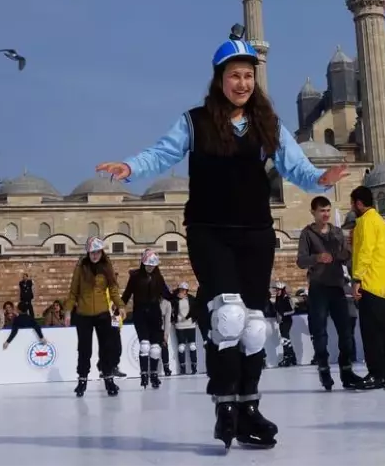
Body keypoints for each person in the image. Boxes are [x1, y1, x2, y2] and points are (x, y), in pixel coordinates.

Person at [95, 26, 347, 449]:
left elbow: (295, 167)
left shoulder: (269, 125)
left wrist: (320, 177)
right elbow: (161, 153)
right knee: (227, 316)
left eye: (248, 75)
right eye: (234, 75)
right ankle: (224, 406)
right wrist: (130, 167)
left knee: (252, 326)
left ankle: (248, 405)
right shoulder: (195, 122)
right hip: (210, 231)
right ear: (219, 79)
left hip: (255, 233)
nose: (242, 83)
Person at [296, 195, 361, 391]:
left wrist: (355, 278)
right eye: (321, 211)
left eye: (327, 210)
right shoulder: (307, 234)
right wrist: (317, 257)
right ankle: (324, 369)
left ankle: (346, 370)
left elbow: (347, 256)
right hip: (318, 287)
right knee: (320, 331)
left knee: (345, 331)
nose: (325, 214)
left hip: (337, 286)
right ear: (313, 212)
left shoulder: (338, 233)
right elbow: (301, 260)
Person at [348, 186, 385, 389]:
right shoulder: (379, 221)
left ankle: (376, 374)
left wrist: (357, 279)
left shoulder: (366, 222)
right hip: (383, 284)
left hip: (370, 283)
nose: (352, 207)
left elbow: (365, 253)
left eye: (353, 203)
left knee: (372, 334)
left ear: (359, 203)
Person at [63, 236, 124, 397]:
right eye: (92, 253)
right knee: (84, 349)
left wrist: (121, 305)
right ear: (88, 253)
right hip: (83, 315)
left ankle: (109, 379)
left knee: (106, 348)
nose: (95, 255)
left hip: (103, 314)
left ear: (101, 252)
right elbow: (73, 292)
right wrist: (68, 311)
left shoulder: (106, 266)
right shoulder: (81, 267)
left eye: (97, 252)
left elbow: (113, 290)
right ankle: (82, 380)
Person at [123, 249, 168, 389]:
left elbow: (166, 293)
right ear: (143, 263)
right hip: (140, 313)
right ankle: (143, 374)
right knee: (145, 345)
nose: (150, 268)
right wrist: (119, 306)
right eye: (148, 265)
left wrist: (177, 298)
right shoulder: (136, 276)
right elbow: (127, 293)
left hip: (155, 313)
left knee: (155, 348)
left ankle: (154, 374)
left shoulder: (158, 278)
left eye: (152, 266)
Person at [172, 282, 199, 375]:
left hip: (190, 324)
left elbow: (195, 309)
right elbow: (170, 305)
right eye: (180, 289)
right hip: (180, 325)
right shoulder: (175, 299)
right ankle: (182, 368)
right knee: (181, 347)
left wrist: (193, 319)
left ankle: (194, 367)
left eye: (184, 290)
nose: (182, 291)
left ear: (187, 291)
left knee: (192, 346)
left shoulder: (191, 299)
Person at [272, 282, 296, 367]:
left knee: (284, 338)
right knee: (285, 339)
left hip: (287, 321)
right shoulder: (278, 298)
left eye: (278, 290)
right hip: (281, 321)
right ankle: (292, 356)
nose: (276, 291)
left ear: (282, 290)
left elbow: (293, 310)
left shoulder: (286, 298)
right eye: (276, 290)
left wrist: (283, 314)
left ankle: (288, 356)